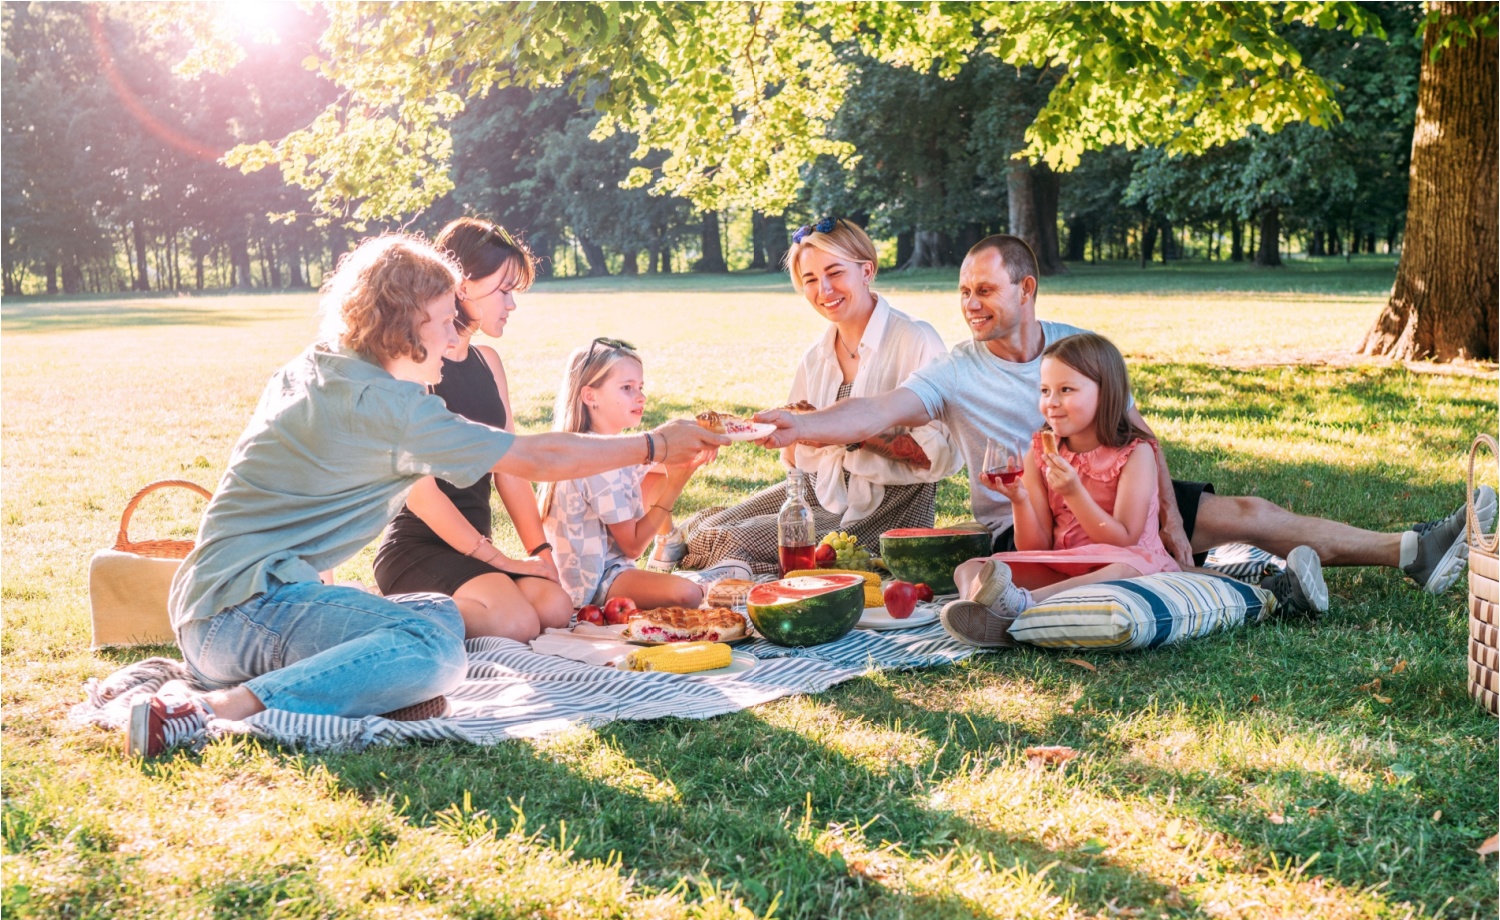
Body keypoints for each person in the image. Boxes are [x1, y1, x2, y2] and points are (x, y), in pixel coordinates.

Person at [129, 234, 726, 758]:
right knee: (434, 652)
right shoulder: (388, 408)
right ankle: (218, 710)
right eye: (444, 319)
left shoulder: (315, 368)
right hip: (241, 615)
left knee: (436, 612)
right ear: (406, 320)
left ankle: (352, 688)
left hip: (214, 608)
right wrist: (653, 446)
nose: (452, 334)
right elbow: (534, 456)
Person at [756, 234, 1496, 646]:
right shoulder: (955, 369)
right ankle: (1266, 581)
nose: (971, 304)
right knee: (1172, 552)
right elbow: (874, 411)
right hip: (1034, 522)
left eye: (985, 290)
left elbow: (1139, 435)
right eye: (963, 292)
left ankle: (1411, 551)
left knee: (1243, 509)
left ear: (1026, 288)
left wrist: (1173, 522)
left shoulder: (1081, 348)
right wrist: (800, 424)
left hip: (1117, 495)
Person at [950, 332, 1325, 635]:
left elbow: (1125, 537)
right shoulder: (1041, 450)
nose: (1051, 403)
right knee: (969, 569)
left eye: (1067, 390)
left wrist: (1074, 493)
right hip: (1068, 565)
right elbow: (1037, 546)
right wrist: (1019, 499)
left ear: (1106, 391)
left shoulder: (1135, 453)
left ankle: (1023, 608)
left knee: (1122, 570)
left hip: (1128, 559)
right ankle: (980, 610)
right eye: (1045, 390)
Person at [673, 217, 960, 574]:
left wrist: (838, 429)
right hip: (816, 491)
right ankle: (739, 570)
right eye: (810, 279)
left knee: (725, 542)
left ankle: (751, 572)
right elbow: (799, 455)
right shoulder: (816, 355)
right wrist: (785, 434)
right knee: (698, 530)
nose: (824, 289)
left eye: (835, 272)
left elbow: (938, 460)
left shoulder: (914, 339)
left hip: (884, 506)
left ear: (867, 270)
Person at [373, 218, 572, 643]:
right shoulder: (417, 366)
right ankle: (378, 614)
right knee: (516, 623)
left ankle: (475, 598)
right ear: (463, 286)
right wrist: (497, 558)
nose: (512, 304)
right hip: (419, 548)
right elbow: (421, 494)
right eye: (504, 289)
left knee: (555, 608)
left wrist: (540, 553)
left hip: (477, 546)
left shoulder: (488, 362)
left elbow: (511, 470)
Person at [540, 338, 746, 610]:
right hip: (592, 587)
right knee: (689, 595)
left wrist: (692, 444)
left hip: (605, 571)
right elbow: (633, 547)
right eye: (626, 388)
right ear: (590, 396)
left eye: (640, 387)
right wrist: (677, 483)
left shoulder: (598, 446)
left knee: (654, 467)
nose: (641, 397)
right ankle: (696, 575)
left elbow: (658, 454)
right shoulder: (600, 464)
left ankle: (668, 547)